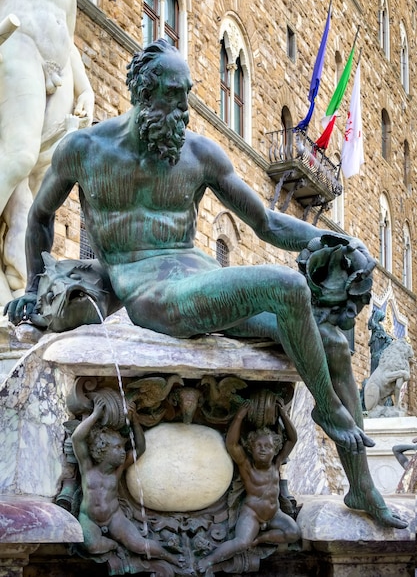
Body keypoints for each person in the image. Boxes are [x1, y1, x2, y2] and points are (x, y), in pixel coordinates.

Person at [5, 39, 407, 529]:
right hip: (151, 293)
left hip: (200, 280)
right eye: (173, 100)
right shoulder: (86, 150)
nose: (183, 114)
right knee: (287, 287)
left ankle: (362, 488)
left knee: (332, 343)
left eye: (187, 100)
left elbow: (267, 223)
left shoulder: (199, 154)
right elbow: (41, 215)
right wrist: (33, 286)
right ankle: (328, 410)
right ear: (143, 95)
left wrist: (337, 238)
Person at [0, 0, 94, 306]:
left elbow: (66, 24)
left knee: (40, 183)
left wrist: (84, 87)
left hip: (60, 62)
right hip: (16, 39)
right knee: (20, 156)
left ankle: (22, 283)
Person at [71, 395, 184, 565]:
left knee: (139, 545)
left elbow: (140, 448)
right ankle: (114, 545)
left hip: (114, 517)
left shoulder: (119, 468)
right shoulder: (88, 468)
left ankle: (172, 558)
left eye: (123, 447)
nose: (123, 452)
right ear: (102, 450)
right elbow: (76, 439)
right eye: (117, 448)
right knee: (92, 546)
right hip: (89, 518)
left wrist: (135, 420)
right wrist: (95, 415)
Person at [197, 400, 300, 574]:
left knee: (293, 533)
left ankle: (259, 540)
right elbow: (232, 445)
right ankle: (209, 560)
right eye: (258, 445)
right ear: (251, 448)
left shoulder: (276, 464)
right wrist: (239, 416)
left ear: (275, 450)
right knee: (241, 542)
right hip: (252, 513)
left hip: (274, 514)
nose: (262, 449)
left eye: (267, 446)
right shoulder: (247, 467)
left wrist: (283, 414)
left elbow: (292, 439)